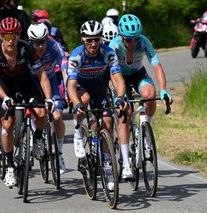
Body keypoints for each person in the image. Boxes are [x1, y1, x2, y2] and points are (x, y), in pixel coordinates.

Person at [0, 17, 54, 188]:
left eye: (15, 36)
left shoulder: (26, 48)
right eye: (7, 37)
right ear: (1, 36)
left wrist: (48, 99)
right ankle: (9, 165)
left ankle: (38, 138)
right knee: (7, 126)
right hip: (4, 87)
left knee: (41, 112)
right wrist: (5, 98)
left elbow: (42, 76)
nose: (11, 41)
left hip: (25, 82)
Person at [109, 14, 173, 179]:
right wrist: (120, 96)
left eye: (135, 39)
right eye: (129, 40)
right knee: (125, 115)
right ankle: (125, 165)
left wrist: (164, 89)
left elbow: (157, 66)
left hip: (138, 74)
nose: (133, 43)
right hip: (119, 77)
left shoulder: (143, 42)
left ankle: (145, 130)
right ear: (121, 37)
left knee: (150, 94)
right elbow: (111, 73)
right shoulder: (114, 46)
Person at [67, 20, 128, 190]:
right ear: (83, 40)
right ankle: (78, 133)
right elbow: (70, 85)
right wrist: (76, 103)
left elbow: (117, 78)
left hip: (98, 86)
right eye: (89, 40)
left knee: (107, 121)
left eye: (96, 39)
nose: (93, 44)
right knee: (84, 101)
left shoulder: (108, 53)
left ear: (101, 39)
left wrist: (120, 97)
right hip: (79, 86)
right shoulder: (77, 56)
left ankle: (107, 165)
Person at [27, 23, 68, 174]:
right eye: (37, 42)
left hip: (50, 82)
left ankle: (59, 153)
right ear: (31, 41)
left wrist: (68, 89)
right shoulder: (26, 49)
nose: (40, 46)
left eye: (43, 41)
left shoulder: (54, 46)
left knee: (57, 116)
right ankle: (33, 134)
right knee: (36, 113)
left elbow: (65, 67)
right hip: (32, 84)